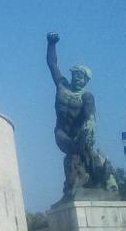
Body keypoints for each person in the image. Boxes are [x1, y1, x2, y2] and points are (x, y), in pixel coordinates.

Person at [46, 31, 117, 196]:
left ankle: (101, 176)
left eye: (82, 77)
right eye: (76, 75)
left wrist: (90, 122)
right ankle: (85, 178)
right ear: (72, 75)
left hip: (80, 134)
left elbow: (90, 112)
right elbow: (52, 64)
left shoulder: (86, 96)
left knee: (83, 153)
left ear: (86, 80)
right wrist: (51, 44)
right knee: (76, 152)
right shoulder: (62, 86)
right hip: (62, 133)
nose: (79, 79)